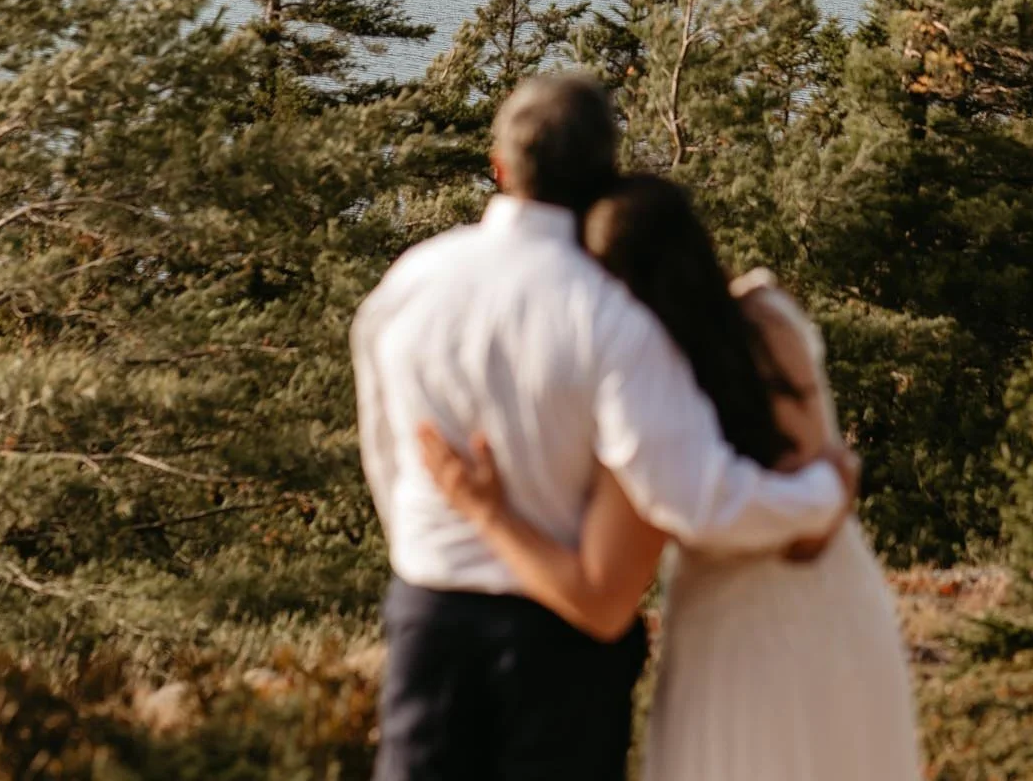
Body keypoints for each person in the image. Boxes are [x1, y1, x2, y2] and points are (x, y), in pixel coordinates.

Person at [351, 73, 853, 781]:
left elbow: (385, 452)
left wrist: (430, 547)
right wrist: (820, 493)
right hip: (559, 649)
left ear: (498, 167)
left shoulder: (411, 281)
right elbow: (691, 496)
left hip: (427, 623)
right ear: (603, 173)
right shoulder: (612, 318)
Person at [420, 173, 923, 781]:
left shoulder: (646, 386)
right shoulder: (762, 324)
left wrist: (488, 509)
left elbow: (793, 536)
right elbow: (817, 516)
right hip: (832, 609)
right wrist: (831, 490)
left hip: (740, 633)